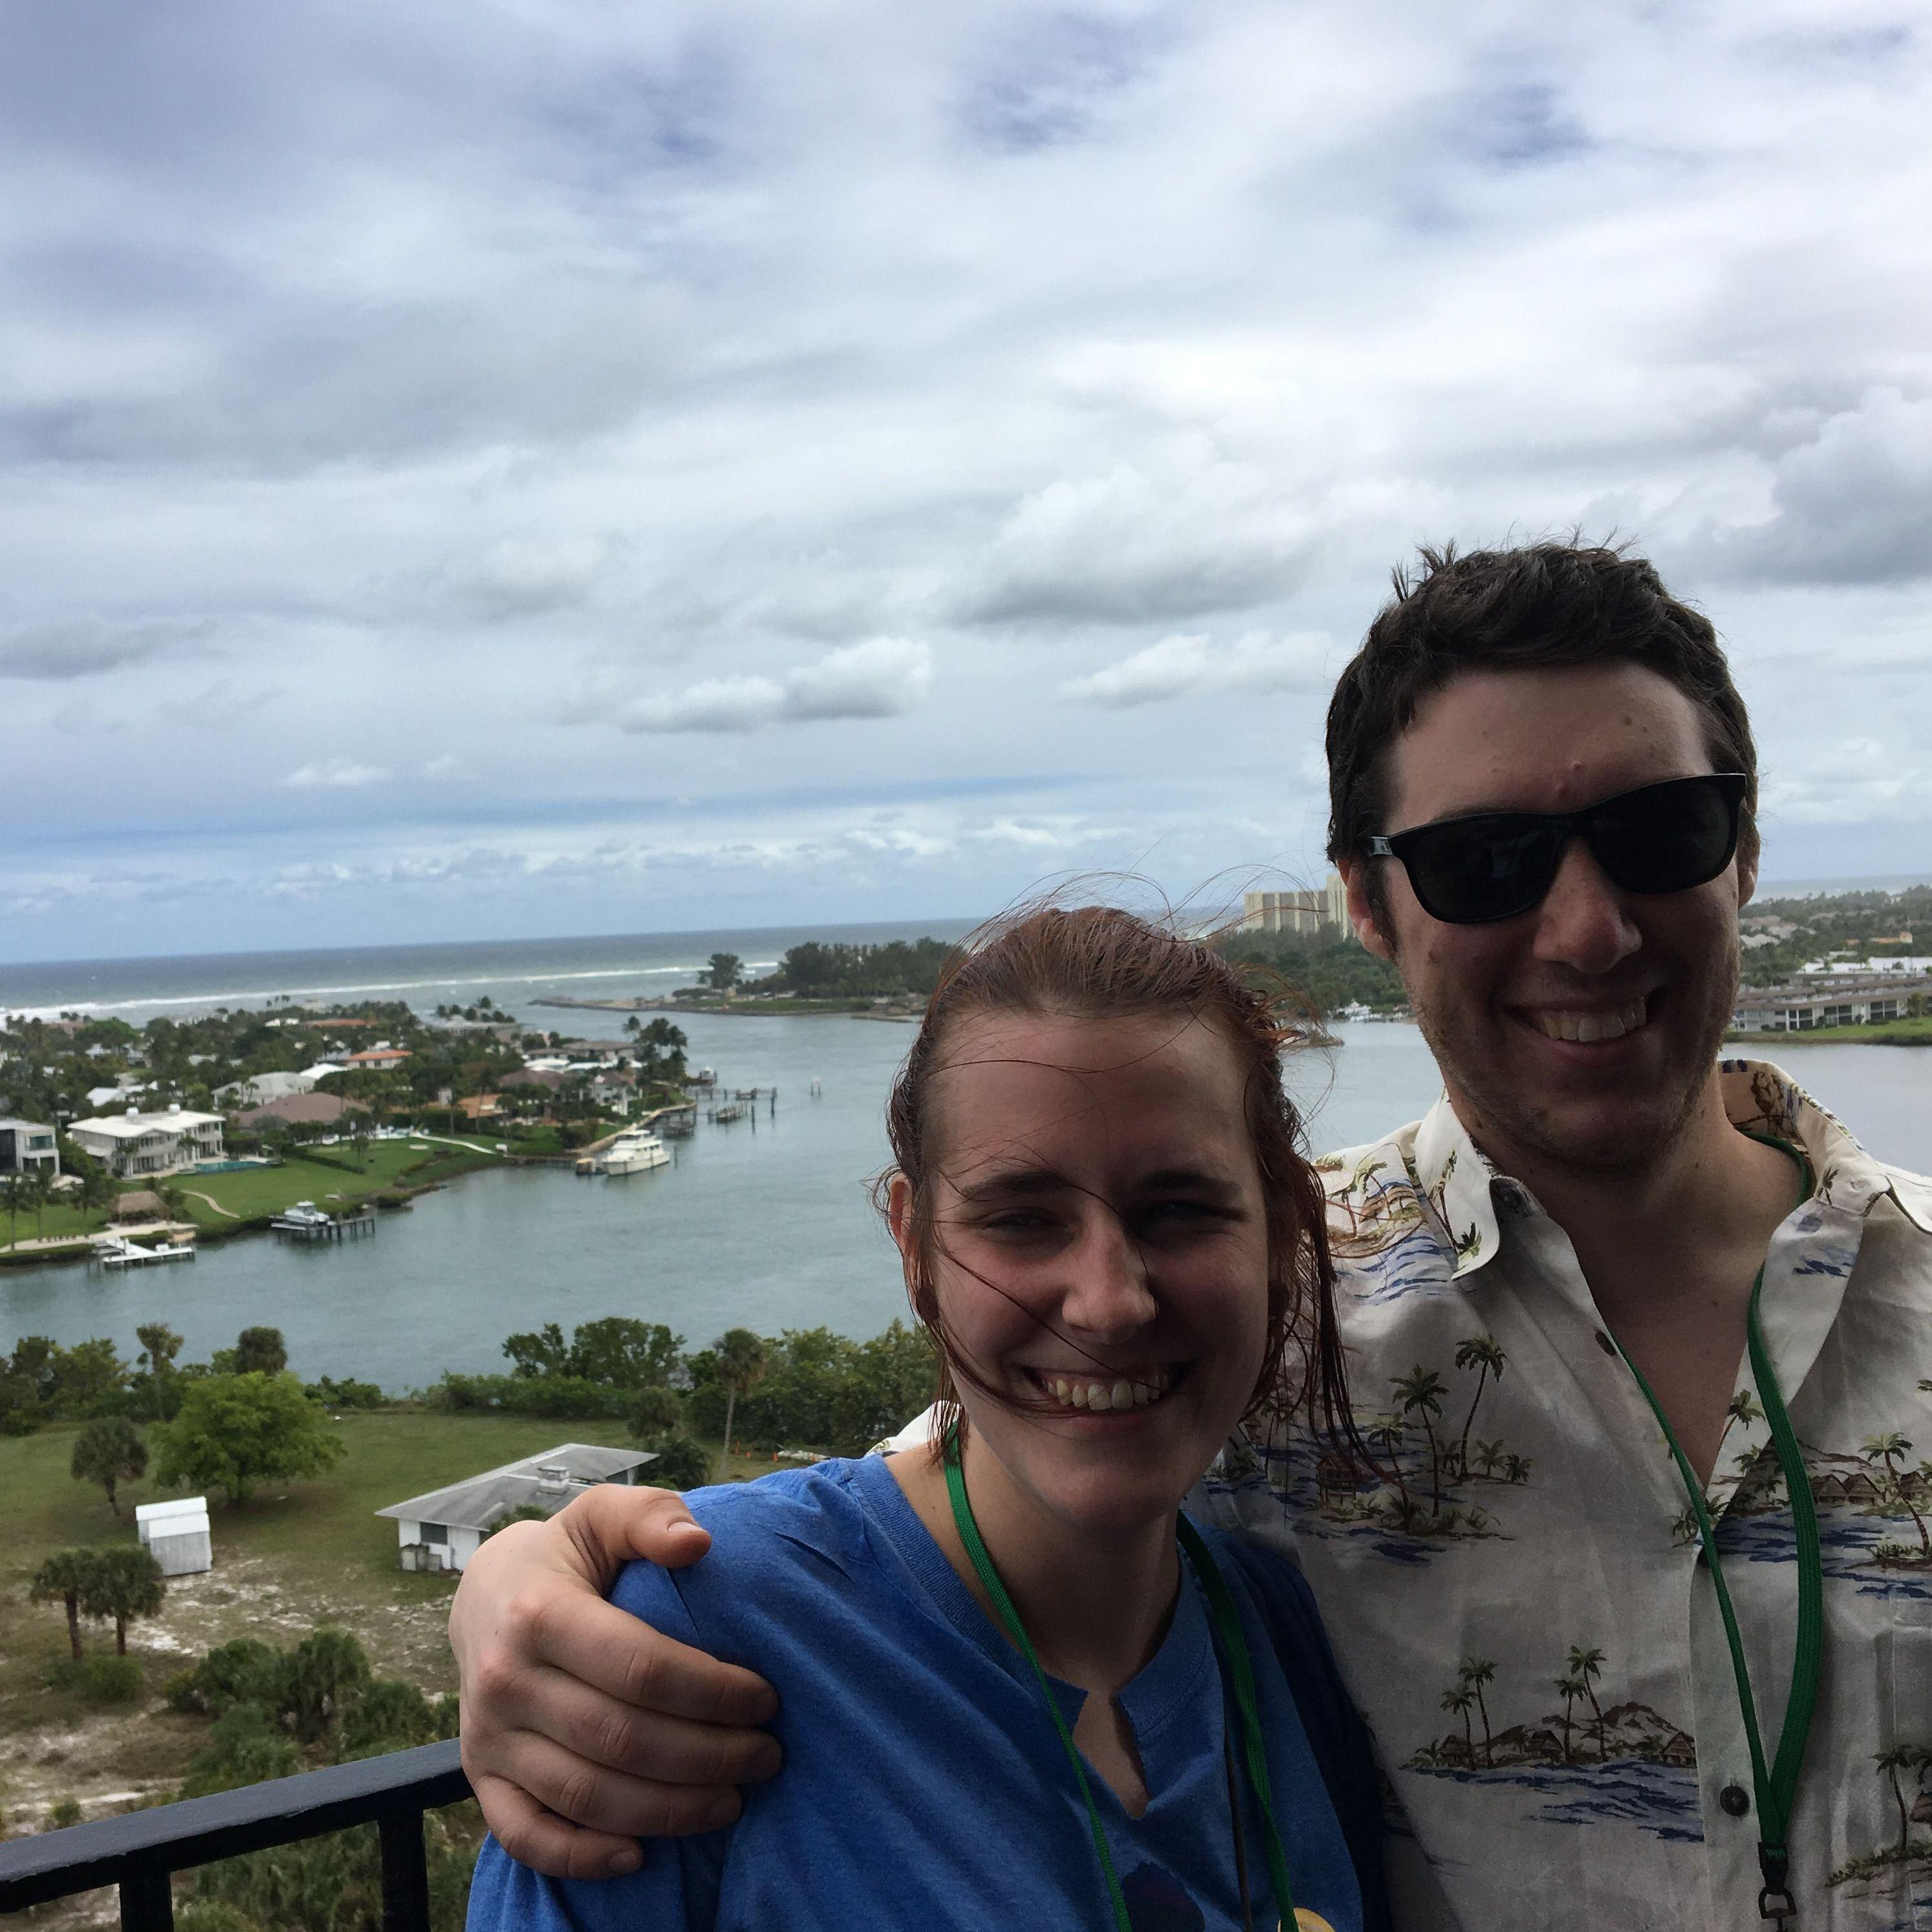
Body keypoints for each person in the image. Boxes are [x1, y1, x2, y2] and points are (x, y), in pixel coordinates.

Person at [451, 543, 1932, 1931]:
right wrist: (533, 1574)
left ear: (1741, 851)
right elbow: (972, 1469)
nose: (1589, 928)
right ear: (1367, 898)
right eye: (1487, 861)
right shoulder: (1277, 1316)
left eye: (1657, 832)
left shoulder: (1250, 1323)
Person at [466, 906, 1393, 1931]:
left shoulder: (1276, 1634)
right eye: (1021, 1219)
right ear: (914, 1248)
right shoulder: (706, 1638)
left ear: (1277, 1236)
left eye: (1180, 1209)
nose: (1110, 1300)